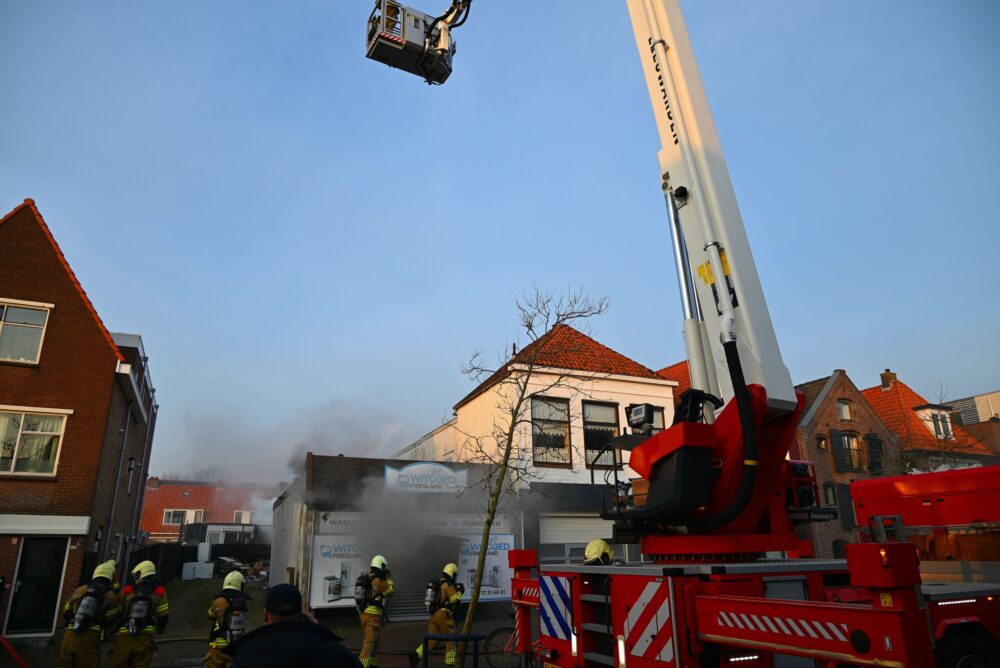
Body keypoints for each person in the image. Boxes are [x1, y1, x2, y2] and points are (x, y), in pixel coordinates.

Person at [226, 583, 360, 667]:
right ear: (302, 616)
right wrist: (317, 630)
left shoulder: (245, 653)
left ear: (266, 616)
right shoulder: (326, 650)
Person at [56, 559, 122, 668]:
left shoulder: (81, 589)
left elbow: (65, 611)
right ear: (110, 577)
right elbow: (110, 618)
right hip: (89, 637)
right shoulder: (111, 595)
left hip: (70, 634)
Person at [109, 560, 170, 668]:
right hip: (144, 636)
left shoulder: (128, 590)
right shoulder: (160, 592)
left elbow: (117, 611)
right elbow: (163, 615)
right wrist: (160, 630)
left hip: (124, 635)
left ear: (141, 573)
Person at [410, 563, 463, 668]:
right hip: (443, 615)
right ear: (452, 574)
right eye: (455, 575)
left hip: (434, 615)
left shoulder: (439, 583)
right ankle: (449, 665)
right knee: (451, 639)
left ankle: (416, 655)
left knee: (431, 640)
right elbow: (455, 599)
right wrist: (461, 591)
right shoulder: (448, 584)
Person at [205, 571, 250, 668]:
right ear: (240, 585)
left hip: (218, 647)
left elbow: (210, 615)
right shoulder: (242, 602)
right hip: (235, 645)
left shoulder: (219, 600)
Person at [357, 555, 394, 668]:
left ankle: (373, 665)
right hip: (371, 616)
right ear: (381, 566)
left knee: (375, 643)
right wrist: (388, 578)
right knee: (370, 642)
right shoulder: (378, 580)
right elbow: (390, 592)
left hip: (366, 614)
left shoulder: (368, 577)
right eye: (384, 566)